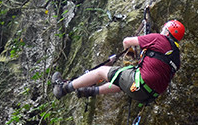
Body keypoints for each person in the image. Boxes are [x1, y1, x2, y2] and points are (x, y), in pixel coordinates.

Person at [52, 19, 185, 103]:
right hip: (148, 96)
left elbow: (127, 41)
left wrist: (129, 54)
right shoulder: (176, 57)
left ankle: (64, 88)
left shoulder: (159, 39)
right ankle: (90, 91)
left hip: (139, 84)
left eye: (164, 29)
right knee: (122, 83)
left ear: (167, 32)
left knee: (100, 72)